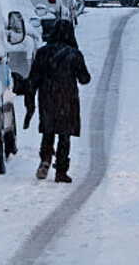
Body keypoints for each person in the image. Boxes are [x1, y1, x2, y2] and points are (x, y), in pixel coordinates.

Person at [25, 19, 90, 183]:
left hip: (47, 98)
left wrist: (30, 102)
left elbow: (33, 79)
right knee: (64, 135)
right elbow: (84, 79)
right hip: (67, 99)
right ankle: (61, 170)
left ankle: (45, 159)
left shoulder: (42, 53)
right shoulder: (74, 54)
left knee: (48, 131)